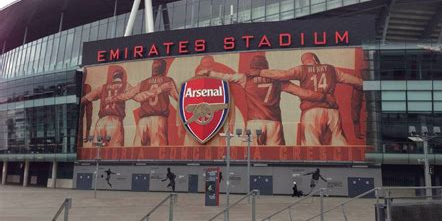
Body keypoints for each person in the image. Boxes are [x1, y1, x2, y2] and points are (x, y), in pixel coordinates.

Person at [199, 55, 328, 145]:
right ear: (265, 67)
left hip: (254, 122)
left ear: (252, 67)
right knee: (276, 158)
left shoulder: (245, 78)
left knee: (248, 158)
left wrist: (209, 73)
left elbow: (226, 77)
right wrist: (323, 97)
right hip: (274, 123)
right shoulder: (278, 80)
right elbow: (303, 93)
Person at [252, 52, 363, 146]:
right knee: (339, 142)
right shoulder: (332, 69)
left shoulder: (302, 69)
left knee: (311, 147)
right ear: (315, 59)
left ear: (310, 60)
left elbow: (283, 74)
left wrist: (259, 72)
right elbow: (358, 83)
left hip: (311, 111)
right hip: (332, 111)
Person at [113, 59, 182, 146]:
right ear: (164, 69)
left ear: (152, 69)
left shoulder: (143, 83)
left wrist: (114, 98)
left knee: (137, 151)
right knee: (158, 151)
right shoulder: (167, 81)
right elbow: (178, 98)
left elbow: (128, 95)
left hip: (143, 121)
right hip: (158, 119)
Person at [81, 66, 131, 146]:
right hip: (115, 121)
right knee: (114, 153)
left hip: (101, 122)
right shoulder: (126, 85)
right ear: (122, 76)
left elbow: (86, 98)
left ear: (113, 77)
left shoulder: (103, 87)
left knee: (96, 152)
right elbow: (134, 94)